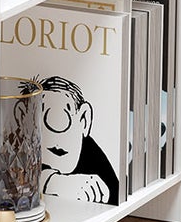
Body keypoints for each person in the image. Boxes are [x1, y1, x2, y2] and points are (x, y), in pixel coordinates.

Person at [37, 74, 120, 205]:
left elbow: (113, 192)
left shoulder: (94, 156)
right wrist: (52, 182)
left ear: (84, 120)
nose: (57, 136)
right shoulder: (21, 144)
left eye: (63, 117)